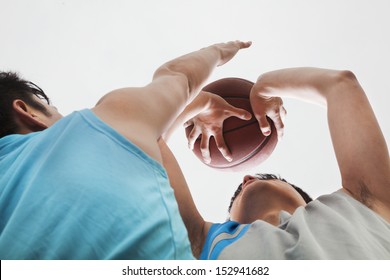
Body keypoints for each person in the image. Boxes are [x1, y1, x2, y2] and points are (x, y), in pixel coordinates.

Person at [0, 40, 252, 259]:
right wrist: (220, 51)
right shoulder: (88, 129)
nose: (63, 118)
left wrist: (203, 103)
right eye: (55, 111)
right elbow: (178, 76)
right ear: (28, 112)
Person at [160, 67, 390, 259]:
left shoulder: (363, 204)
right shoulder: (199, 245)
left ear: (306, 200)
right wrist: (201, 104)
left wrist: (264, 86)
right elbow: (148, 141)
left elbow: (341, 84)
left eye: (269, 177)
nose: (246, 179)